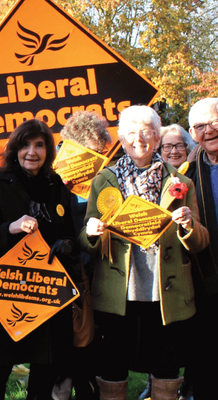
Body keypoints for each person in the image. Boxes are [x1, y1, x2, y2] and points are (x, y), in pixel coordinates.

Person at [80, 105, 208, 400]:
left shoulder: (181, 183)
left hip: (166, 291)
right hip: (117, 290)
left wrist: (189, 225)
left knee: (166, 362)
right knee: (113, 363)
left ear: (157, 136)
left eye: (146, 131)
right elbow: (86, 238)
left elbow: (201, 242)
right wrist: (91, 232)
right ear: (122, 140)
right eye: (130, 133)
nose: (138, 138)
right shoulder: (103, 180)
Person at [0, 118, 79, 399]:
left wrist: (65, 244)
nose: (32, 152)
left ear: (48, 151)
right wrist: (10, 228)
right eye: (25, 145)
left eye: (39, 145)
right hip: (5, 295)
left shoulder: (58, 187)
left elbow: (71, 236)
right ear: (15, 149)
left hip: (47, 295)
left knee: (44, 375)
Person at [59, 110, 113, 399]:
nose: (97, 158)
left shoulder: (105, 174)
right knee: (67, 338)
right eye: (91, 152)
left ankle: (88, 386)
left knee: (91, 337)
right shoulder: (51, 173)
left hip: (95, 265)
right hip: (64, 264)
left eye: (100, 152)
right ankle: (63, 385)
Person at [184, 98, 218, 400]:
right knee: (207, 357)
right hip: (207, 277)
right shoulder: (187, 172)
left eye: (215, 122)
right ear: (192, 134)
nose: (209, 131)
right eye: (200, 126)